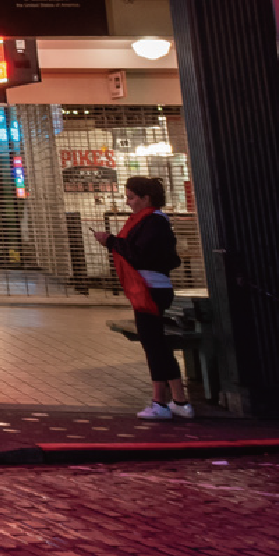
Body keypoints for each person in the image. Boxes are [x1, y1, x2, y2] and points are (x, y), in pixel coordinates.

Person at [96, 175, 192, 420]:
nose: (128, 203)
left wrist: (111, 241)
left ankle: (161, 402)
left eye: (131, 197)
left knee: (154, 346)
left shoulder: (153, 223)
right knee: (156, 344)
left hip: (149, 289)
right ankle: (178, 400)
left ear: (145, 198)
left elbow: (139, 254)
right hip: (152, 287)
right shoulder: (154, 222)